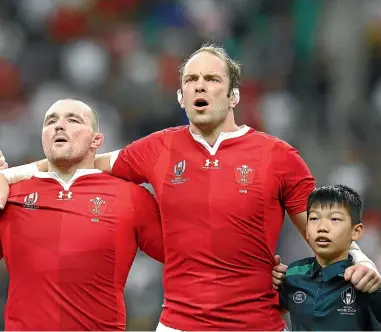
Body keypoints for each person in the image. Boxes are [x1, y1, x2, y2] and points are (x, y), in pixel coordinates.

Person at [0, 44, 380, 331]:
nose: (200, 86)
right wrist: (8, 176)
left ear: (234, 95)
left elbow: (324, 232)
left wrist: (359, 260)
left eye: (212, 79)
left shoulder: (278, 155)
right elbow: (76, 160)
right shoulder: (156, 148)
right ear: (181, 98)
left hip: (257, 324)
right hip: (179, 325)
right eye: (191, 80)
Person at [0, 99, 164, 330]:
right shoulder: (11, 195)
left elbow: (189, 258)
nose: (59, 126)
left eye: (73, 120)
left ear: (96, 140)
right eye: (51, 121)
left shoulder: (131, 197)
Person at [279, 185, 381, 331]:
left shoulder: (364, 281)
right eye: (314, 218)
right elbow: (267, 311)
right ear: (306, 229)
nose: (322, 227)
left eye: (334, 219)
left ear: (356, 231)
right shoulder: (293, 274)